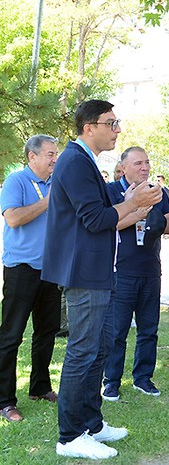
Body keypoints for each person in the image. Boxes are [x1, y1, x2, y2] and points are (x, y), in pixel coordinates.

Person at [42, 99, 163, 459]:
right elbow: (95, 219)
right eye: (111, 123)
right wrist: (133, 202)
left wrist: (133, 206)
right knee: (82, 352)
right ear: (89, 127)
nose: (117, 129)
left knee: (99, 349)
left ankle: (91, 423)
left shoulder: (85, 161)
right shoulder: (75, 161)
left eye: (117, 122)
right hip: (84, 272)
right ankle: (69, 437)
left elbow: (102, 218)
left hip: (100, 270)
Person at [102, 147, 169, 401]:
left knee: (149, 330)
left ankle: (143, 378)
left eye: (146, 162)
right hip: (121, 271)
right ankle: (111, 381)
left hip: (150, 270)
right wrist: (136, 213)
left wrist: (156, 217)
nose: (144, 167)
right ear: (123, 167)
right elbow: (109, 224)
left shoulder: (157, 192)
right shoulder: (111, 191)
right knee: (117, 331)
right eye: (138, 163)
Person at [0, 135, 61, 423]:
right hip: (21, 269)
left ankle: (40, 387)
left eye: (56, 154)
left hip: (50, 269)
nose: (55, 159)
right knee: (11, 335)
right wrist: (47, 202)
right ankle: (5, 401)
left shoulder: (56, 182)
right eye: (50, 154)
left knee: (47, 332)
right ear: (32, 157)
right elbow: (12, 218)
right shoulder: (17, 181)